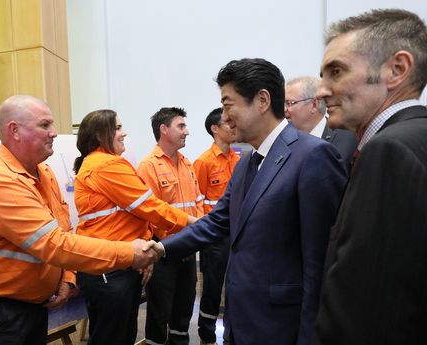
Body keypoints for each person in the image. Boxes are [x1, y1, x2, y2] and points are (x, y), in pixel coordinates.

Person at [145, 58, 348, 345]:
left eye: (229, 106)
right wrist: (161, 248)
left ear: (262, 100)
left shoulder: (313, 156)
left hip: (281, 327)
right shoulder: (245, 163)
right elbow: (217, 222)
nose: (224, 117)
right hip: (240, 323)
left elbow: (321, 263)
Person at [0, 95, 157, 345]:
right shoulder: (0, 183)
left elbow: (63, 230)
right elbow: (54, 244)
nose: (55, 133)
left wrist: (67, 278)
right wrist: (130, 253)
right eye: (45, 125)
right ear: (14, 130)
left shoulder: (43, 172)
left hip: (30, 305)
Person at [310, 9, 427, 345]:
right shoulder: (414, 140)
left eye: (337, 71)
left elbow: (364, 313)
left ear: (397, 69)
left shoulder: (388, 151)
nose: (321, 91)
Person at [73, 110, 197, 345]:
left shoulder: (103, 163)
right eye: (118, 128)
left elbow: (133, 216)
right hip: (109, 269)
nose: (124, 133)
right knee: (112, 337)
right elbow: (148, 207)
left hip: (118, 264)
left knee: (120, 334)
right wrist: (193, 222)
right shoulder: (107, 165)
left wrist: (143, 258)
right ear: (101, 135)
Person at [137, 107, 204, 345]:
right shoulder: (149, 165)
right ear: (164, 129)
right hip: (162, 251)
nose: (187, 131)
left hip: (188, 248)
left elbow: (197, 203)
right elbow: (147, 212)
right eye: (181, 126)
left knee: (184, 311)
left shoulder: (187, 163)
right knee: (159, 313)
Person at [193, 107, 239, 345]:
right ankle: (206, 336)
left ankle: (232, 332)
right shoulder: (203, 162)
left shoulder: (238, 159)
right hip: (214, 237)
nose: (232, 126)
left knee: (235, 284)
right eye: (227, 123)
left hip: (237, 234)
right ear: (215, 129)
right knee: (212, 289)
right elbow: (197, 201)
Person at [285, 76, 357, 170]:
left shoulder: (348, 138)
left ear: (314, 105)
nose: (284, 109)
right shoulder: (284, 141)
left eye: (290, 103)